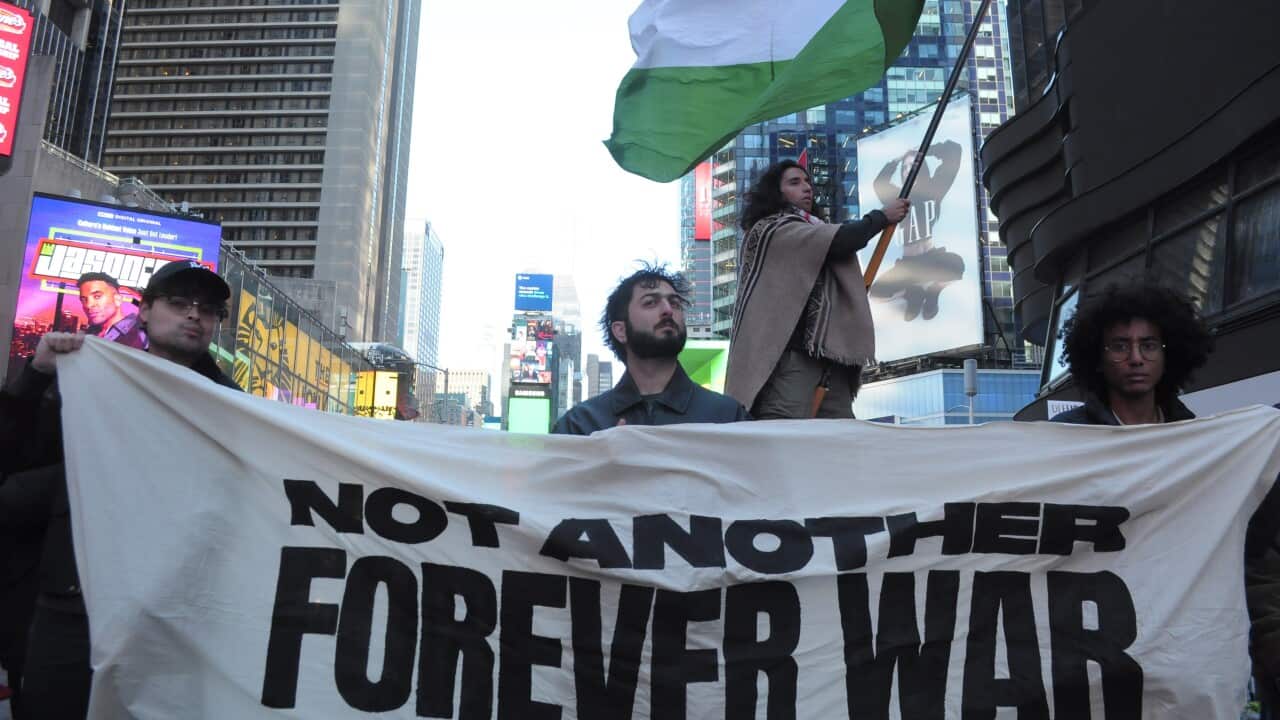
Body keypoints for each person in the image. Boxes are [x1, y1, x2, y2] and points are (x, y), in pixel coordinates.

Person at [0, 259, 239, 719]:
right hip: (73, 601)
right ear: (144, 311)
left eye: (208, 310)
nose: (194, 315)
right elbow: (12, 455)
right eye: (179, 303)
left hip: (174, 611)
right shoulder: (84, 376)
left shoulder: (233, 406)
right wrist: (38, 374)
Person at [725, 160, 909, 419]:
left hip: (831, 358)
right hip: (790, 359)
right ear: (776, 193)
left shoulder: (815, 230)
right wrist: (881, 217)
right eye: (794, 182)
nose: (807, 187)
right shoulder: (770, 230)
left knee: (839, 440)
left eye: (808, 181)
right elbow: (843, 240)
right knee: (786, 435)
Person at [553, 265, 749, 435]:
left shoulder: (728, 418)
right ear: (620, 331)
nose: (668, 310)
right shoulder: (580, 426)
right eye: (650, 302)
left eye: (675, 303)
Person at [1050, 282, 1211, 425]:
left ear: (1167, 355)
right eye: (1120, 347)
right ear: (1098, 359)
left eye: (1148, 346)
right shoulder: (1067, 433)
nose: (1136, 359)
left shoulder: (1190, 432)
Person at [869, 140, 965, 321]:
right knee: (876, 294)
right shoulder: (896, 198)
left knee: (958, 266)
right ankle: (912, 292)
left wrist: (925, 151)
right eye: (905, 167)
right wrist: (897, 159)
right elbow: (879, 182)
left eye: (914, 165)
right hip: (907, 264)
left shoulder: (935, 189)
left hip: (931, 256)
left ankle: (933, 291)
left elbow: (954, 151)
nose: (908, 170)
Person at [75, 272, 146, 350]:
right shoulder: (89, 334)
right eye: (84, 300)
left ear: (117, 299)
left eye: (97, 296)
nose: (88, 305)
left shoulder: (140, 335)